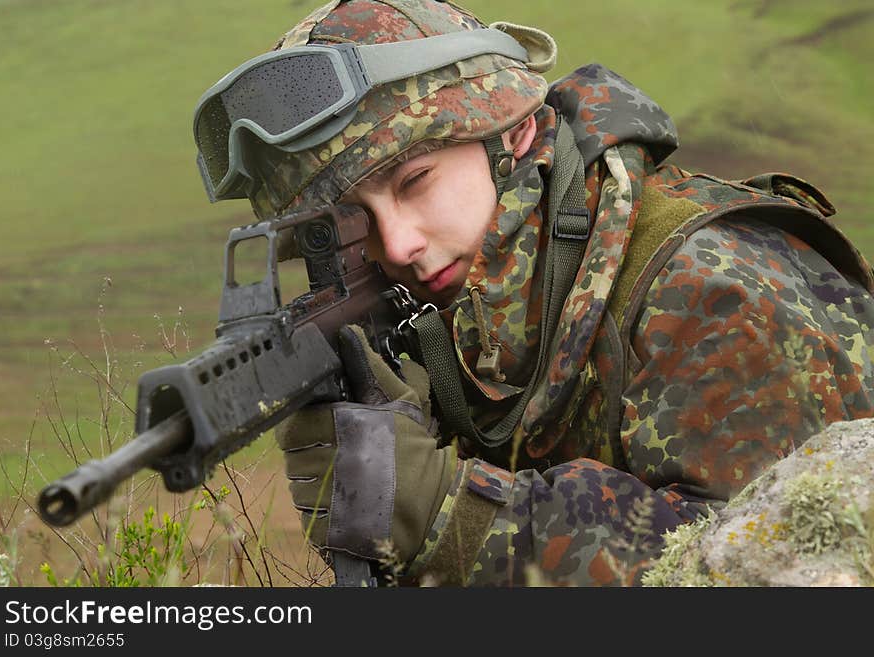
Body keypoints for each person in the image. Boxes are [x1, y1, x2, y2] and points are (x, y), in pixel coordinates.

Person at [191, 0, 874, 586]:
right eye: (356, 220)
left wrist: (448, 516)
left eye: (415, 180)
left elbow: (766, 580)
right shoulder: (469, 313)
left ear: (511, 131)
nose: (396, 245)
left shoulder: (713, 296)